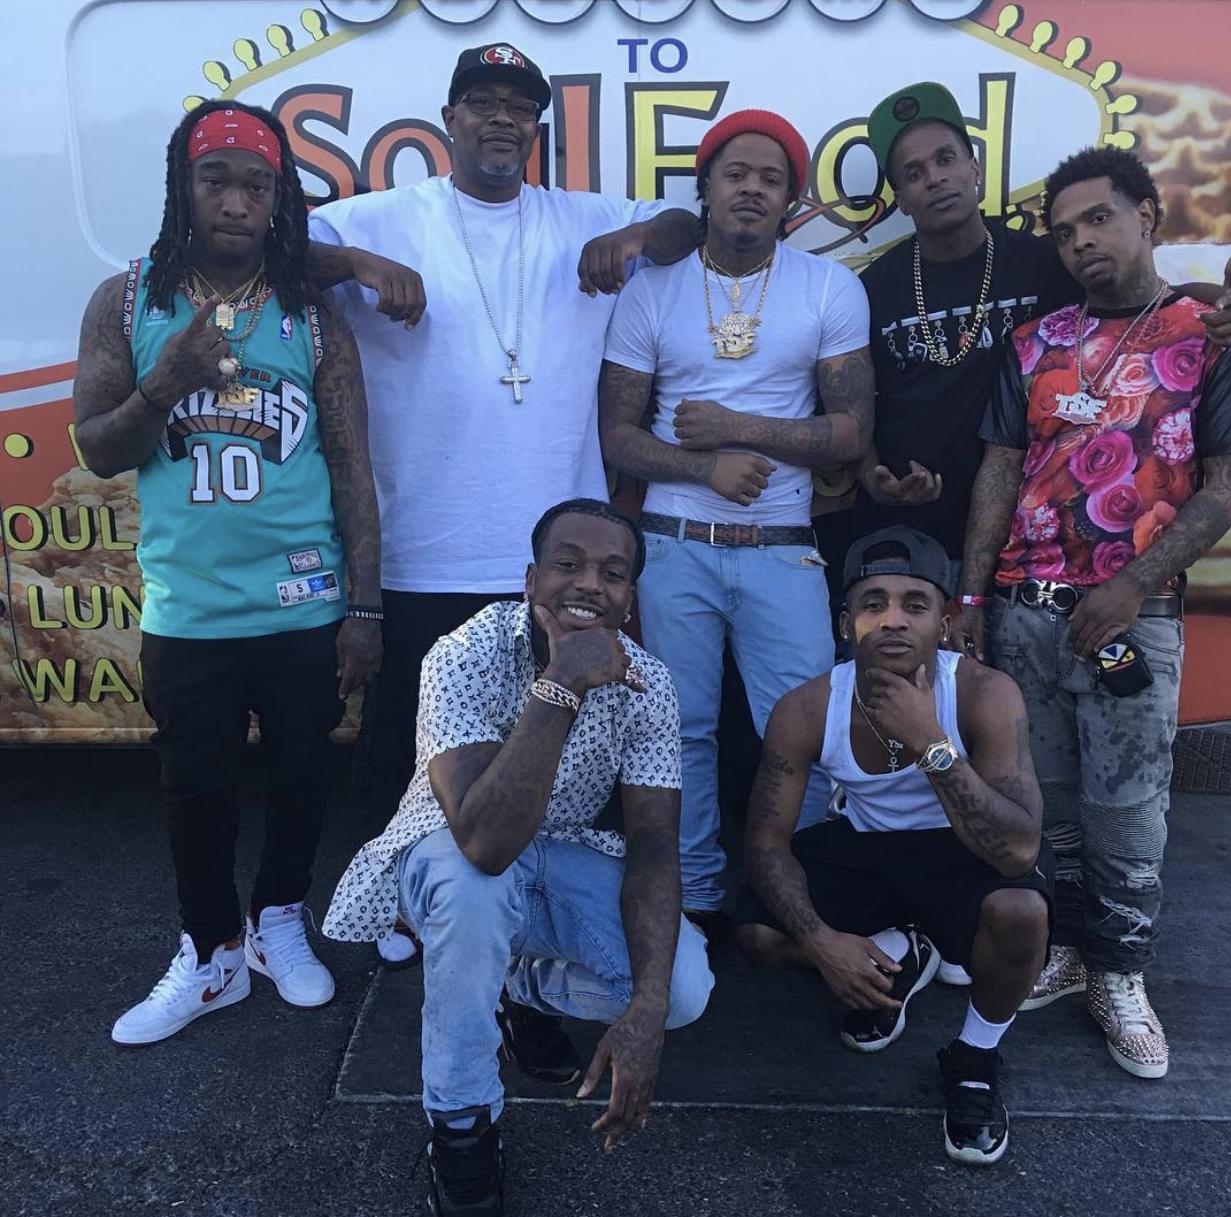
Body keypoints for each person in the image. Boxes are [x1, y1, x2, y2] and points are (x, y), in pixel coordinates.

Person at [307, 42, 702, 828]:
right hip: (425, 555)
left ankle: (548, 888)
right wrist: (353, 262)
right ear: (449, 119)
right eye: (484, 103)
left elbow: (685, 226)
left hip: (557, 563)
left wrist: (632, 241)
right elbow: (282, 253)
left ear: (535, 130)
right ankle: (404, 889)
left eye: (520, 108)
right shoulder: (379, 217)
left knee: (564, 755)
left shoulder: (582, 217)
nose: (502, 119)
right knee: (410, 765)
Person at [72, 101, 382, 1044]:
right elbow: (97, 450)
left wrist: (364, 605)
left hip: (301, 600)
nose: (238, 202)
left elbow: (351, 468)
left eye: (258, 185)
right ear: (185, 187)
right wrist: (166, 380)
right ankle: (209, 953)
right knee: (195, 789)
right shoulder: (125, 301)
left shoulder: (312, 318)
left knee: (302, 774)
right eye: (217, 180)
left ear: (279, 199)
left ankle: (278, 919)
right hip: (191, 608)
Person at [323, 498, 712, 1213]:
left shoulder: (649, 682)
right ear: (531, 579)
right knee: (474, 889)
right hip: (447, 853)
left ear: (630, 599)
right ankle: (461, 1123)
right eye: (568, 564)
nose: (590, 583)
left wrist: (647, 1009)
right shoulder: (462, 653)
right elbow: (484, 839)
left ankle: (516, 987)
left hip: (560, 851)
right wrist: (562, 683)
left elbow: (655, 845)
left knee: (682, 990)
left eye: (614, 573)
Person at [956, 147, 1231, 1080]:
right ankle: (1071, 950)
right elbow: (999, 472)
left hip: (1132, 617)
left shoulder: (1210, 335)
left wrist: (1131, 585)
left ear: (1147, 215)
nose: (1081, 241)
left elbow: (1227, 484)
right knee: (1049, 798)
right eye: (1065, 230)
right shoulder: (1034, 343)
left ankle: (1121, 973)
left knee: (1129, 804)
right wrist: (972, 598)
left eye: (1099, 219)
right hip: (1023, 610)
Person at [599, 109, 874, 926]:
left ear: (791, 199)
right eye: (737, 173)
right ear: (707, 186)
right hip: (672, 543)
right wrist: (701, 466)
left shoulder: (828, 287)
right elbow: (617, 434)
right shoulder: (653, 289)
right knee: (676, 730)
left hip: (782, 544)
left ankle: (807, 898)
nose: (752, 188)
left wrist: (734, 427)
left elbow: (851, 434)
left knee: (804, 728)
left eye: (771, 178)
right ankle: (692, 900)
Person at [736, 526, 1051, 1167]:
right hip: (868, 848)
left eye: (915, 604)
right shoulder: (806, 708)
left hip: (961, 851)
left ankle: (974, 1058)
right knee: (758, 936)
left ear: (943, 622)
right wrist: (821, 943)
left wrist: (930, 741)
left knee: (1022, 912)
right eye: (872, 603)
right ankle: (901, 951)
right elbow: (766, 842)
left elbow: (1017, 850)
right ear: (844, 623)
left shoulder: (985, 693)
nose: (893, 620)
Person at [850, 80, 1231, 582]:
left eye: (946, 159)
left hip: (1021, 547)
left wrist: (1216, 300)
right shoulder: (871, 288)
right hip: (908, 539)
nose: (935, 178)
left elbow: (1135, 298)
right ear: (901, 198)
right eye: (914, 173)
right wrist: (874, 477)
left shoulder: (1045, 261)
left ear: (975, 169)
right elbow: (852, 404)